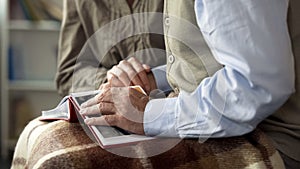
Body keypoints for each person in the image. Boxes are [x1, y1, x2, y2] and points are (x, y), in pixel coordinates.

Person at [80, 0, 300, 168]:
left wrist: (148, 114)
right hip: (225, 126)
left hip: (271, 140)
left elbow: (257, 85)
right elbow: (223, 59)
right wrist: (153, 79)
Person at [55, 0, 166, 96]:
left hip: (176, 106)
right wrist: (110, 79)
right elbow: (69, 73)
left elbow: (183, 61)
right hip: (117, 108)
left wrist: (155, 78)